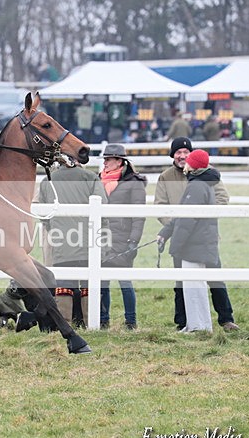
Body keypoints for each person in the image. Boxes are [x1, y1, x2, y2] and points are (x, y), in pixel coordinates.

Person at [154, 137, 239, 331]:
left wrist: (203, 220)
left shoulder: (206, 176)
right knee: (181, 282)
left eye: (186, 152)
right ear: (173, 155)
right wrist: (173, 228)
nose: (182, 155)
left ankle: (226, 318)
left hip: (201, 237)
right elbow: (160, 206)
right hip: (181, 236)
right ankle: (183, 321)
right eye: (178, 152)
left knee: (215, 278)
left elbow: (222, 198)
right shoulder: (166, 177)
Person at [157, 149, 220, 332]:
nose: (186, 163)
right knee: (195, 285)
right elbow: (182, 216)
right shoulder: (201, 184)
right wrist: (165, 232)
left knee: (193, 287)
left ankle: (198, 327)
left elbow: (186, 220)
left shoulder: (196, 186)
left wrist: (175, 247)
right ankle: (198, 325)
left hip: (195, 245)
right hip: (199, 244)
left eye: (189, 161)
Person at [38, 155, 103, 327]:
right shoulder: (90, 177)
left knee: (64, 284)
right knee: (89, 285)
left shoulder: (47, 180)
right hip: (89, 242)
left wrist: (53, 230)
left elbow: (43, 214)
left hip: (61, 241)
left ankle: (65, 324)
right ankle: (91, 324)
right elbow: (103, 208)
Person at [98, 144, 147, 330]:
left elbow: (138, 216)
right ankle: (103, 319)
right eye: (104, 160)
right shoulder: (98, 180)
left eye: (108, 159)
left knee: (124, 281)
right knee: (102, 282)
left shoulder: (134, 183)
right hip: (102, 238)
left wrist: (134, 241)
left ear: (119, 161)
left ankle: (131, 321)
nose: (105, 163)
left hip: (123, 238)